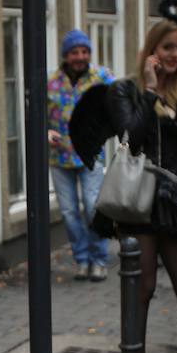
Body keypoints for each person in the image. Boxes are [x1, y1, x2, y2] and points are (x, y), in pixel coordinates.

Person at [71, 14, 177, 353]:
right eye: (168, 47)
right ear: (153, 50)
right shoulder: (125, 90)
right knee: (143, 287)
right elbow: (131, 138)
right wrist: (152, 91)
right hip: (139, 202)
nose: (175, 54)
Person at [48, 29, 114, 282]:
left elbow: (119, 101)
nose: (80, 56)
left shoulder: (102, 77)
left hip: (89, 154)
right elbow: (37, 116)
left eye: (85, 51)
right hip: (59, 157)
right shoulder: (50, 81)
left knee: (92, 207)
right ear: (66, 55)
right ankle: (82, 260)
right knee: (68, 212)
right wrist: (46, 131)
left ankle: (99, 260)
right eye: (75, 52)